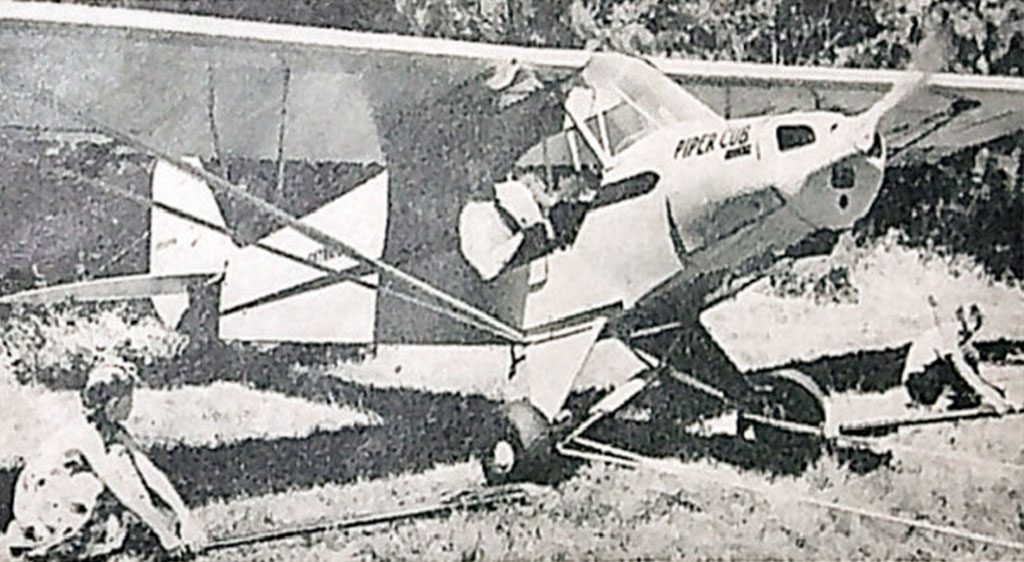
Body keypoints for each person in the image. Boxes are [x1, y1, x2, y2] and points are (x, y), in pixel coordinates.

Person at [1, 359, 207, 560]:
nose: (132, 404)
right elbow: (121, 488)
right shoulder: (86, 434)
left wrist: (184, 516)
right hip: (41, 504)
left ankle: (92, 543)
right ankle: (54, 548)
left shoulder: (113, 431)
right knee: (115, 468)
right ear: (114, 402)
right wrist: (165, 534)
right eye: (130, 398)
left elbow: (149, 471)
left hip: (62, 500)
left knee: (122, 460)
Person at [902, 301, 1013, 414]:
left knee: (970, 357)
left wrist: (991, 388)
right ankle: (937, 404)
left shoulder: (958, 337)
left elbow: (972, 369)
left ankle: (961, 398)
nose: (966, 337)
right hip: (918, 382)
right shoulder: (948, 335)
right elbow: (965, 372)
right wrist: (997, 401)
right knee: (955, 365)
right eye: (965, 333)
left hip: (924, 379)